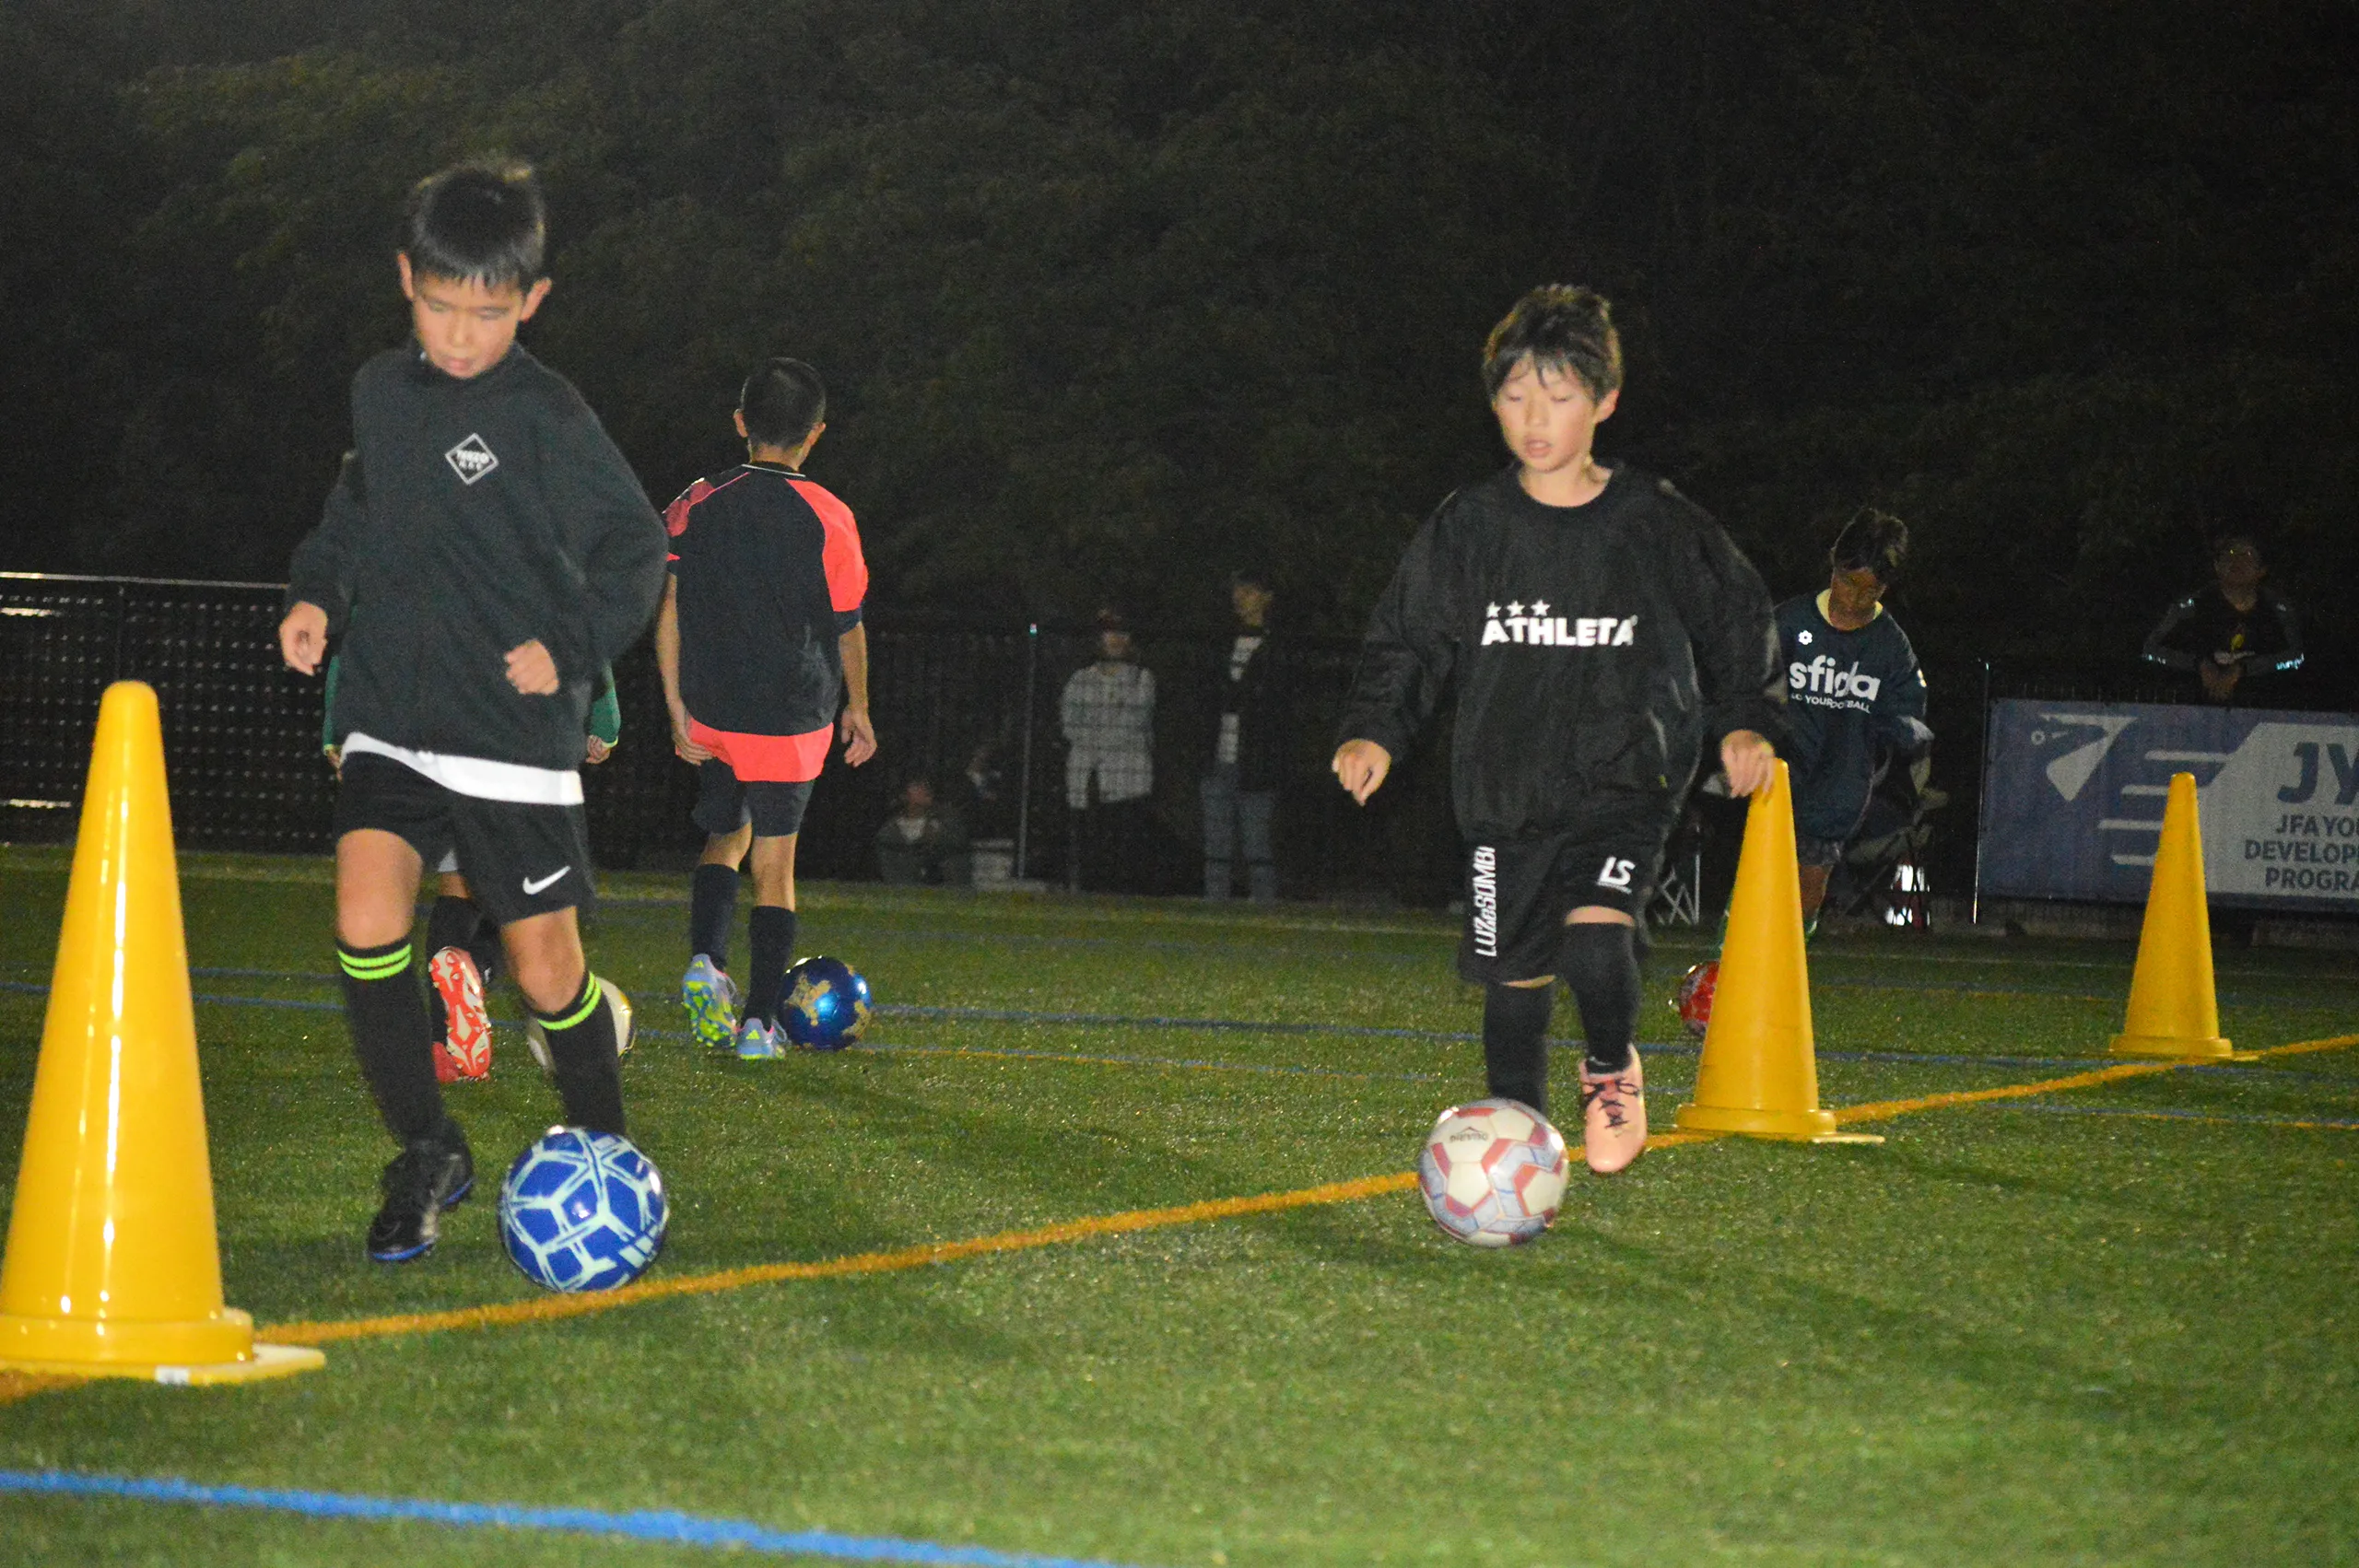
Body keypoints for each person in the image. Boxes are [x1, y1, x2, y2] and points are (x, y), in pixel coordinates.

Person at [277, 159, 666, 1262]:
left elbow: (637, 545)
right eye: (441, 306)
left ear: (531, 301)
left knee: (546, 973)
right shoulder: (380, 393)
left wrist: (573, 647)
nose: (459, 335)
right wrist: (316, 595)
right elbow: (353, 515)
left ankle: (607, 1154)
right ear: (407, 279)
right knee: (367, 918)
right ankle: (427, 1147)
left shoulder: (547, 413)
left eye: (487, 315)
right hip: (392, 714)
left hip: (509, 734)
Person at [1332, 284, 1783, 1176]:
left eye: (1559, 396)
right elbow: (1410, 636)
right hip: (1504, 791)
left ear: (1604, 401)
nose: (1534, 419)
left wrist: (1746, 722)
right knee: (1514, 977)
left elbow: (1737, 615)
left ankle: (1611, 1067)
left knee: (1594, 938)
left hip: (1626, 777)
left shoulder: (1652, 520)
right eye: (1514, 396)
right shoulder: (1471, 526)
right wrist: (1376, 728)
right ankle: (1518, 1141)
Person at [658, 357, 876, 1058]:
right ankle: (758, 1023)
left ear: (740, 423)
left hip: (714, 710)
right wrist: (859, 706)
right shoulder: (830, 516)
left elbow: (670, 606)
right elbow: (847, 625)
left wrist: (675, 705)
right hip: (790, 715)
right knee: (775, 867)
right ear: (816, 433)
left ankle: (706, 960)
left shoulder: (695, 501)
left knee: (726, 835)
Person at [322, 653, 619, 1080]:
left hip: (430, 747)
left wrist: (337, 731)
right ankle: (477, 969)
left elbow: (358, 636)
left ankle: (442, 1047)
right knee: (529, 908)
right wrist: (605, 722)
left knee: (457, 885)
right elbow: (581, 633)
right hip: (520, 747)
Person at [1775, 509, 1931, 932]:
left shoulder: (1890, 646)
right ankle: (1728, 960)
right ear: (1834, 564)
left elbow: (1910, 714)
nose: (1855, 598)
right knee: (1761, 879)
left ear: (1885, 588)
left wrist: (1896, 732)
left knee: (1807, 888)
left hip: (1838, 789)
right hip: (1778, 780)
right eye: (1848, 582)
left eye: (1870, 590)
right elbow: (1751, 681)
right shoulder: (1790, 622)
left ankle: (1792, 954)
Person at [2142, 532, 2304, 704]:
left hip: (2261, 706)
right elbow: (2150, 650)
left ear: (2262, 570)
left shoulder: (2277, 609)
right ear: (2217, 566)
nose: (2237, 560)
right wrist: (2199, 665)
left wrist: (2243, 670)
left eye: (2248, 554)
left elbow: (2296, 656)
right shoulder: (2191, 606)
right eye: (2231, 553)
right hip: (2192, 705)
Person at [1202, 569, 1285, 901]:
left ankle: (1265, 907)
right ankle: (1215, 906)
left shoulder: (1275, 646)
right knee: (1216, 845)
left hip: (1255, 760)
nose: (1240, 598)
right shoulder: (1222, 643)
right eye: (1238, 591)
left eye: (1249, 591)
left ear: (1266, 598)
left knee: (1257, 843)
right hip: (1218, 756)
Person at [1061, 610, 1156, 892]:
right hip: (1086, 781)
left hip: (1128, 784)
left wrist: (1096, 739)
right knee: (1088, 852)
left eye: (1122, 632)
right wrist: (1097, 740)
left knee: (1124, 856)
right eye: (1110, 632)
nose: (1116, 639)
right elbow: (1069, 723)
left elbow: (1133, 722)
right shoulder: (1080, 679)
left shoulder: (1142, 678)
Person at [874, 777, 970, 884]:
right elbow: (888, 862)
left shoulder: (942, 825)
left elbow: (955, 848)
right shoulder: (890, 830)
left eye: (925, 789)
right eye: (917, 788)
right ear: (905, 796)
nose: (924, 791)